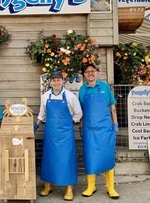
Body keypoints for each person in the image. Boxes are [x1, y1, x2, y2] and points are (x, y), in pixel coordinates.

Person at [34, 71, 82, 201]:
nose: (56, 83)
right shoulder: (45, 96)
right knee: (49, 159)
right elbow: (42, 114)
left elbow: (78, 113)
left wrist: (68, 123)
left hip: (66, 134)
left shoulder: (70, 96)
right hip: (50, 134)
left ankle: (69, 189)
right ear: (50, 82)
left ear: (62, 81)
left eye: (58, 80)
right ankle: (47, 186)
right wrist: (36, 124)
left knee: (66, 160)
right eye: (54, 80)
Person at [78, 64, 119, 199]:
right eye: (87, 71)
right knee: (90, 158)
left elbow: (111, 106)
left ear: (96, 73)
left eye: (92, 71)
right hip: (89, 130)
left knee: (108, 157)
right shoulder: (83, 90)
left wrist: (115, 123)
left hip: (106, 129)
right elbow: (81, 111)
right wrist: (81, 127)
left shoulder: (105, 87)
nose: (90, 73)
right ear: (84, 74)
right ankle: (91, 186)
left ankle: (110, 188)